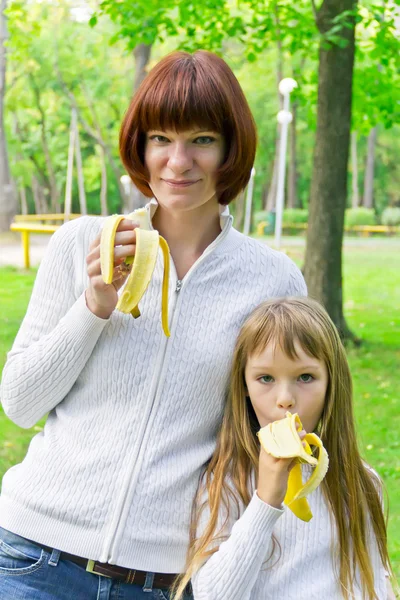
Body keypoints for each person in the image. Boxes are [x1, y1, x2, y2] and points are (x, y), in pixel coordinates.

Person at [0, 51, 306, 599]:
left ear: (231, 148)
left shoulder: (273, 280)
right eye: (160, 138)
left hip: (164, 578)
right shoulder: (81, 244)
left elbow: (280, 428)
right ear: (139, 145)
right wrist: (94, 305)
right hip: (30, 558)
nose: (177, 161)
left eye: (203, 140)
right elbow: (20, 404)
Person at [173, 297, 396, 600]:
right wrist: (266, 500)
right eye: (265, 378)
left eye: (305, 377)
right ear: (245, 388)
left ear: (332, 383)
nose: (285, 399)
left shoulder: (361, 483)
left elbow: (374, 586)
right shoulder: (226, 483)